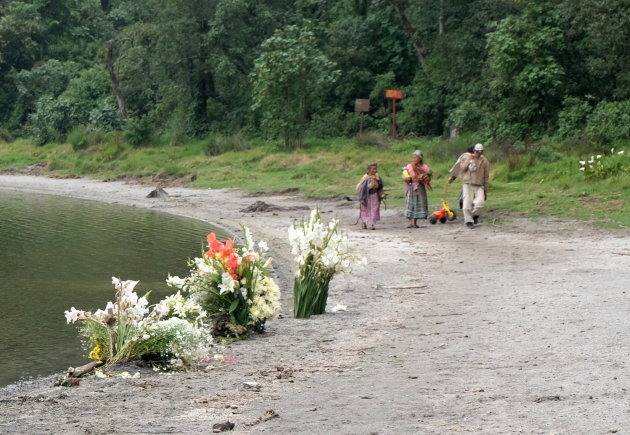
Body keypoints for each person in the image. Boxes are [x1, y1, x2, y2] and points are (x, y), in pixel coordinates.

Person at [451, 143, 489, 228]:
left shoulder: (484, 161)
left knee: (480, 203)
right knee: (467, 204)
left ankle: (474, 215)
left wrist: (486, 189)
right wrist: (469, 160)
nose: (479, 153)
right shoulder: (466, 157)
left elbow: (486, 176)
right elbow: (462, 169)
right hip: (468, 183)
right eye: (477, 151)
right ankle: (469, 221)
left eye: (480, 152)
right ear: (474, 151)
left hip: (479, 184)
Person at [402, 150, 432, 228]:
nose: (414, 159)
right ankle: (411, 222)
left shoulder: (424, 167)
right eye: (413, 157)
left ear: (420, 158)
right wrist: (406, 178)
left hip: (419, 188)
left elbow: (429, 176)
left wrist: (424, 178)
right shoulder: (409, 166)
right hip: (410, 187)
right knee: (410, 204)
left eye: (416, 157)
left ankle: (414, 222)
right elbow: (404, 175)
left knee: (417, 204)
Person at [356, 162, 384, 230]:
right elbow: (362, 188)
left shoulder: (377, 176)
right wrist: (362, 197)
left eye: (375, 169)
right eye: (373, 169)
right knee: (365, 209)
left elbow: (380, 185)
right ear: (369, 169)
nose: (375, 170)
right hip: (366, 196)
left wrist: (378, 183)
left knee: (374, 209)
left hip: (374, 196)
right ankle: (364, 223)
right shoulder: (365, 177)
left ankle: (372, 224)